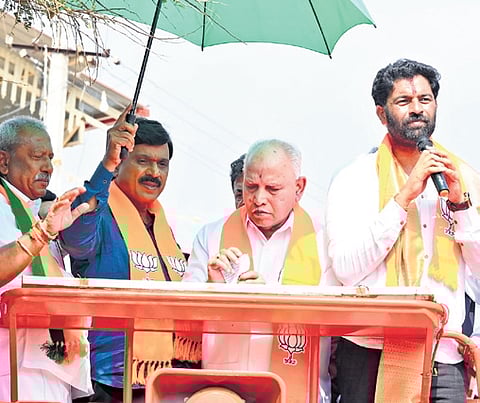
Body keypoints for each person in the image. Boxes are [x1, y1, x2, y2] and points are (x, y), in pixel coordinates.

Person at [325, 59, 480, 402]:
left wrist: (461, 207)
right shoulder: (355, 178)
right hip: (370, 348)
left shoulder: (463, 177)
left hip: (443, 351)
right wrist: (404, 196)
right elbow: (347, 269)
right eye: (404, 101)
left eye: (425, 100)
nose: (417, 109)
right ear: (381, 114)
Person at [184, 139, 336, 402]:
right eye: (251, 187)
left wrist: (271, 300)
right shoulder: (211, 236)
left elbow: (335, 317)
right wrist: (212, 289)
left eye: (273, 188)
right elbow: (183, 322)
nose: (259, 199)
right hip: (224, 390)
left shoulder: (325, 241)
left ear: (299, 188)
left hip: (299, 391)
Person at [60, 107, 193, 403]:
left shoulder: (163, 226)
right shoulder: (99, 215)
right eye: (143, 161)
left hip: (163, 383)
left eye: (163, 164)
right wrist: (106, 164)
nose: (154, 173)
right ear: (121, 163)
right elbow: (75, 235)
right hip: (106, 384)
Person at [0, 116, 92, 401]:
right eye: (37, 157)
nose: (48, 168)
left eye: (50, 158)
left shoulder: (38, 211)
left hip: (52, 370)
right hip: (10, 365)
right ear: (3, 162)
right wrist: (42, 234)